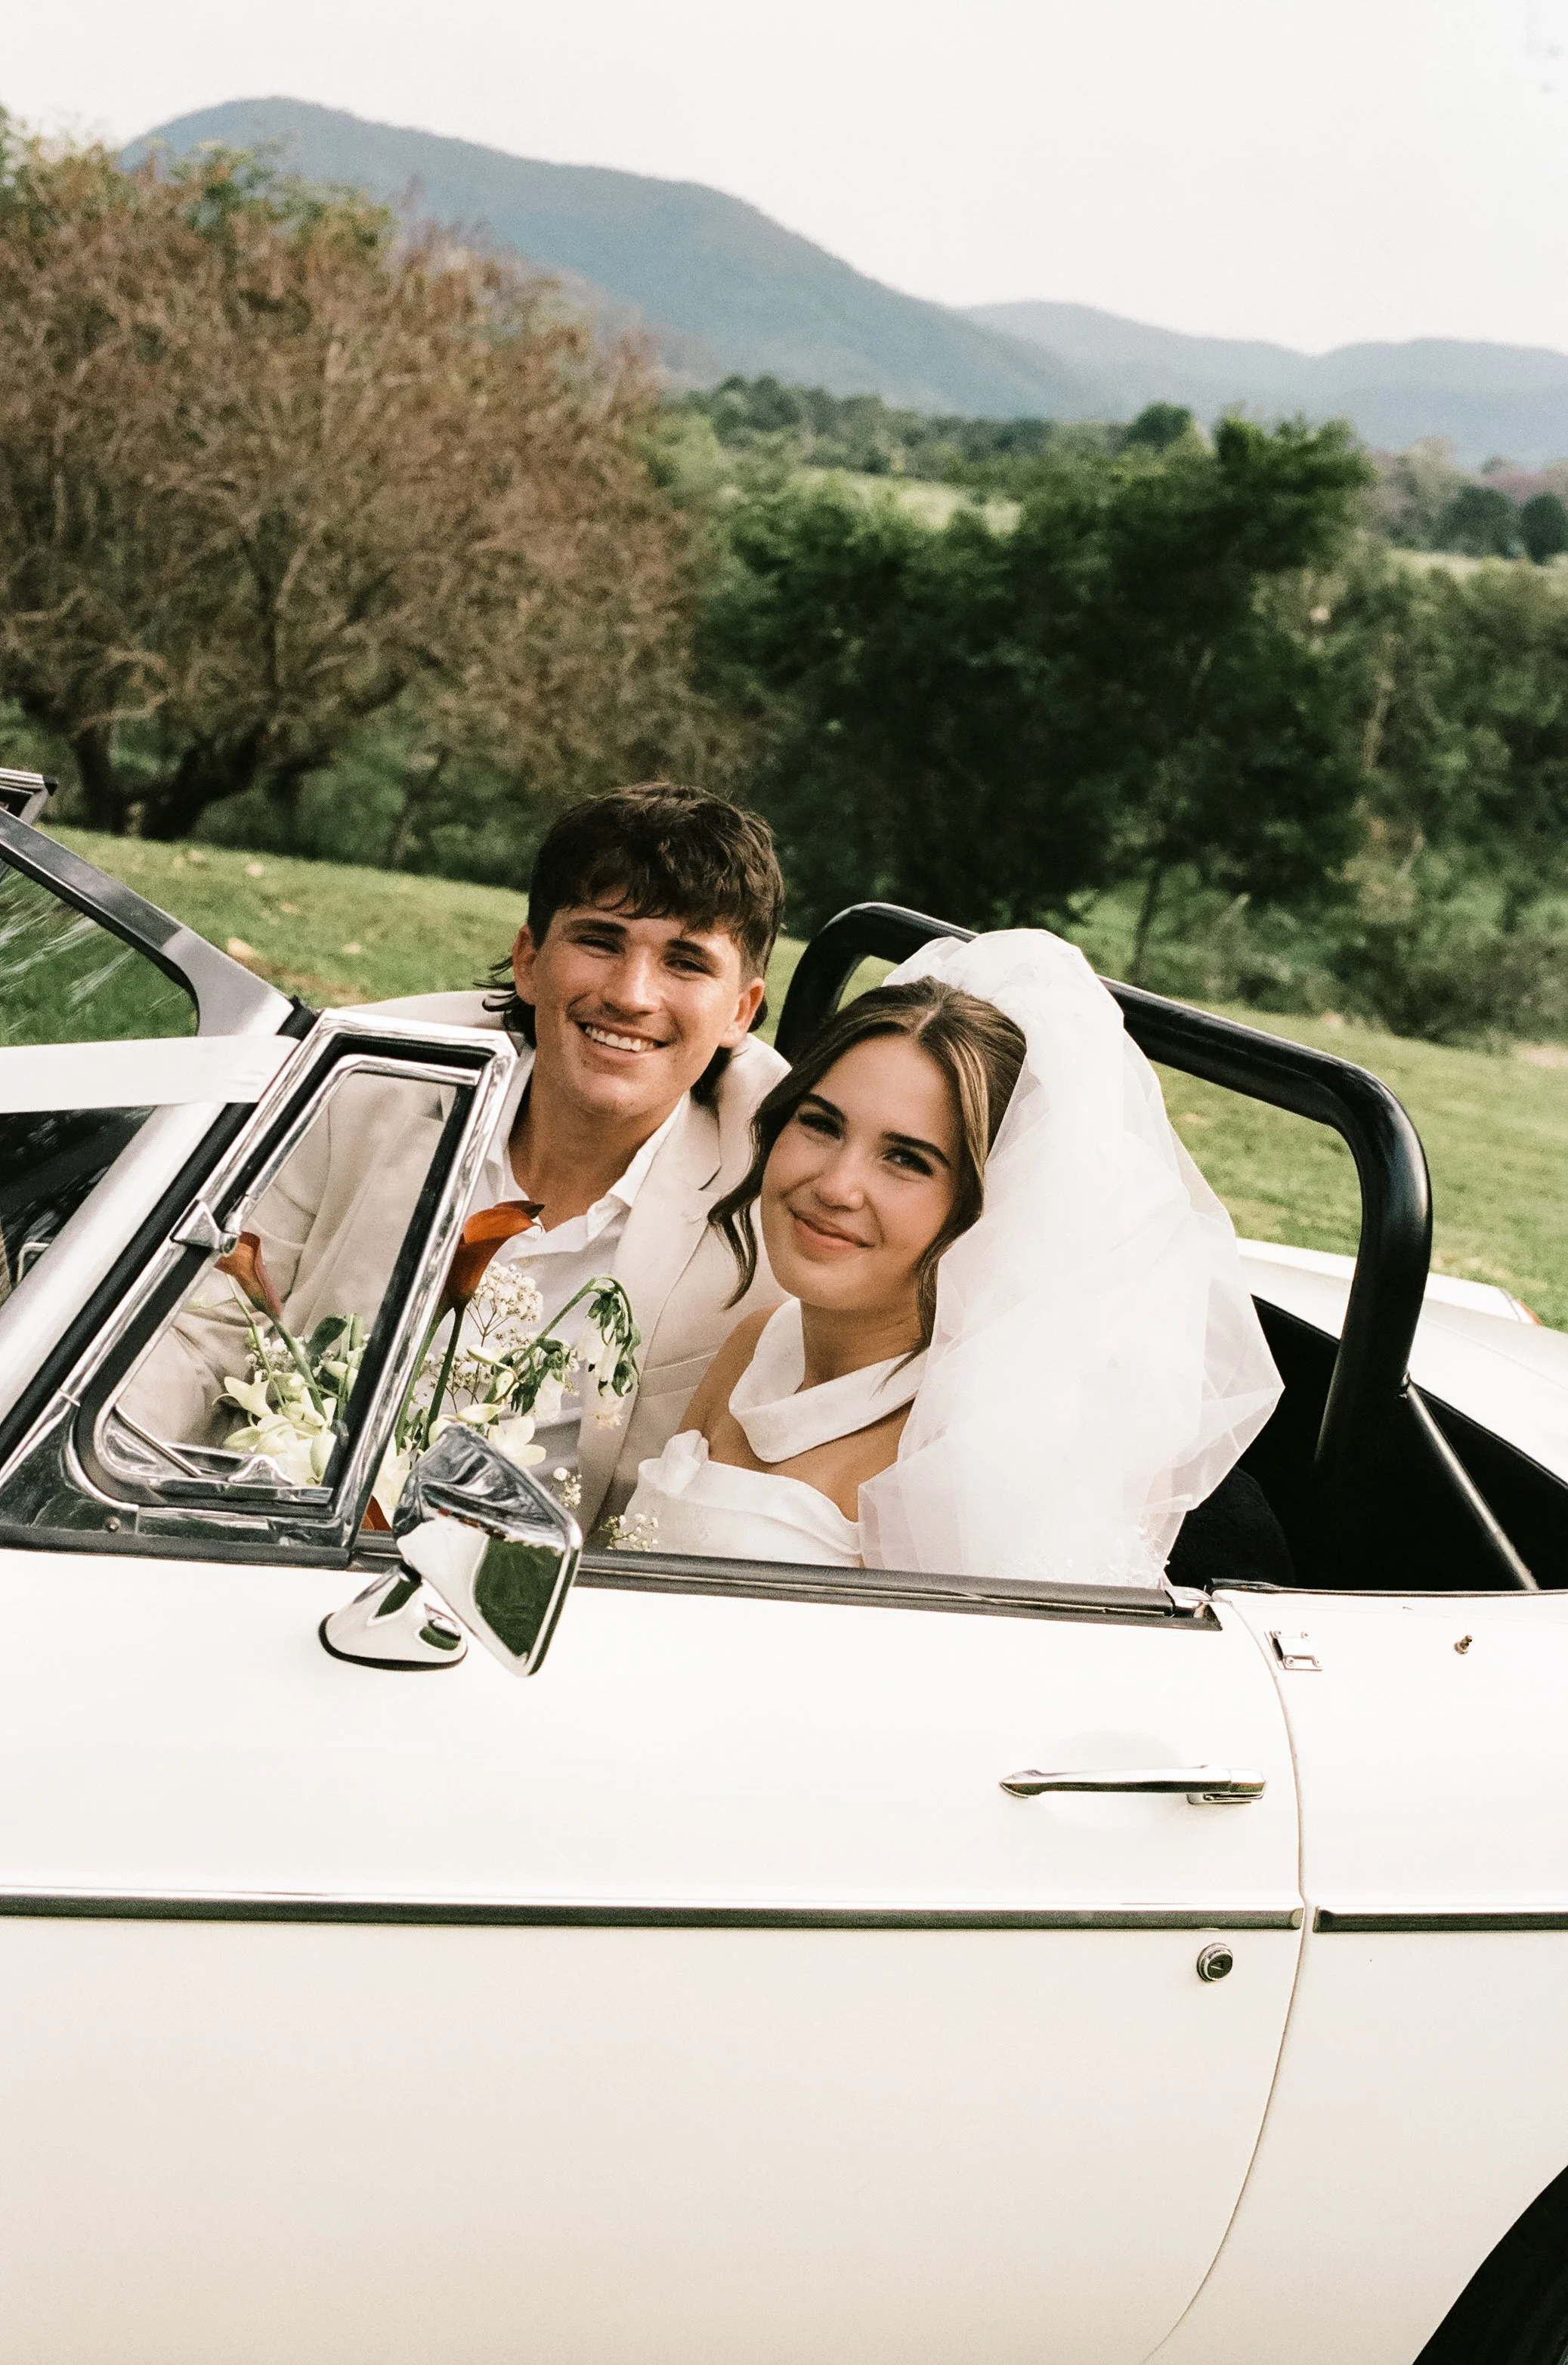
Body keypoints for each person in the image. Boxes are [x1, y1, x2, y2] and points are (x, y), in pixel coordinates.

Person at [126, 784, 790, 1534]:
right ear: (529, 961)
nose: (631, 995)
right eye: (600, 940)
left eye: (685, 962)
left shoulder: (777, 1192)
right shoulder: (370, 1075)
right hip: (257, 1532)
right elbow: (204, 1327)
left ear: (741, 1010)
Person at [624, 928, 1283, 1585]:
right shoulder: (756, 1338)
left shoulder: (977, 1449)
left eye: (905, 1159)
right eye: (821, 1124)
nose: (834, 1185)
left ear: (984, 1205)